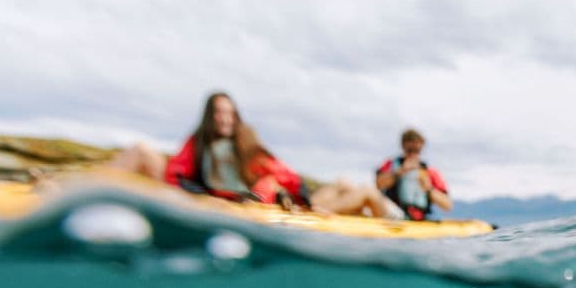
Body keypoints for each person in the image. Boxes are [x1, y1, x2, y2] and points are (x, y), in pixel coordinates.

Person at [109, 92, 396, 217]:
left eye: (229, 113)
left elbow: (288, 178)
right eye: (219, 113)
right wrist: (203, 196)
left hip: (274, 208)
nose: (224, 119)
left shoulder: (247, 147)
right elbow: (178, 175)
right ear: (210, 116)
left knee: (359, 189)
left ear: (236, 117)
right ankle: (76, 186)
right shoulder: (197, 143)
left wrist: (307, 206)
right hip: (216, 201)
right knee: (140, 150)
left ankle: (391, 221)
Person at [375, 128, 453, 221]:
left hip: (416, 219)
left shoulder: (429, 172)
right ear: (403, 146)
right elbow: (378, 185)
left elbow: (447, 205)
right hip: (393, 212)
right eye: (410, 150)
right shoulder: (391, 165)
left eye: (417, 150)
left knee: (366, 193)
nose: (413, 154)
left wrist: (428, 189)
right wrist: (401, 171)